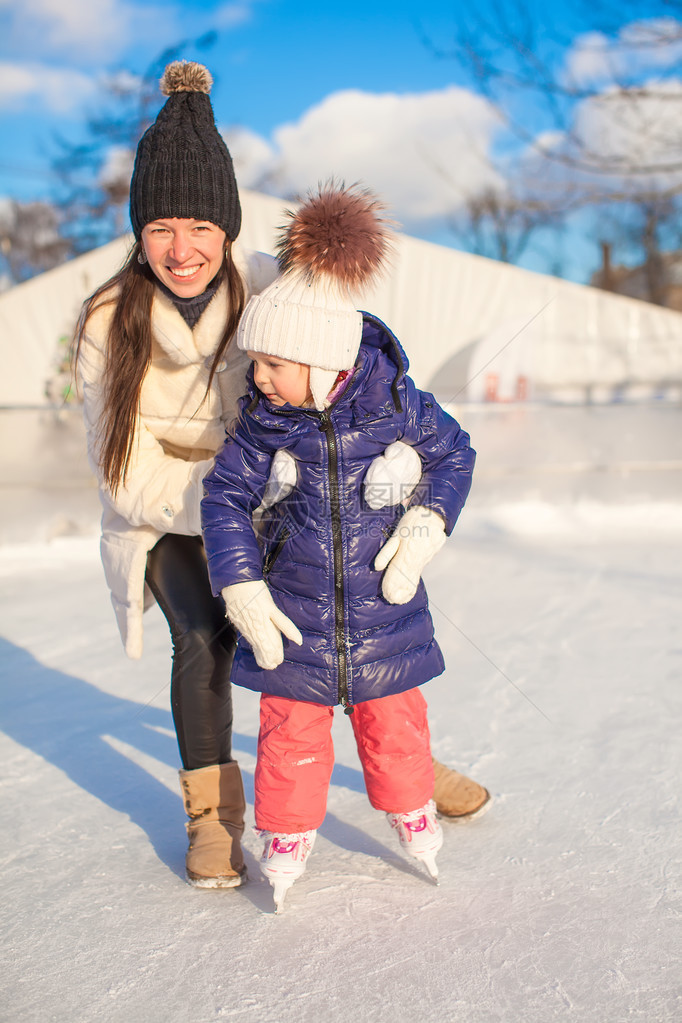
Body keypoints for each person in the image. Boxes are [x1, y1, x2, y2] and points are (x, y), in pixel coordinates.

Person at [75, 60, 488, 892]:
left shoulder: (268, 285)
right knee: (207, 635)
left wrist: (390, 440)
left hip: (274, 493)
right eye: (160, 228)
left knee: (354, 605)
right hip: (170, 509)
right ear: (138, 233)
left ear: (227, 229)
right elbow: (120, 471)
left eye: (198, 225)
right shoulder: (108, 319)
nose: (181, 248)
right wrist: (236, 514)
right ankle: (212, 814)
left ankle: (406, 759)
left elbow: (350, 348)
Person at [201, 183, 481, 912]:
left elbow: (456, 455)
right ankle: (287, 834)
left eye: (272, 364)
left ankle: (412, 810)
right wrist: (242, 585)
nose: (257, 378)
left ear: (321, 362)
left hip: (385, 613)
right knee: (289, 732)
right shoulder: (266, 425)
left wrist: (426, 525)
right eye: (254, 362)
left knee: (395, 724)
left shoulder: (398, 407)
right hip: (293, 614)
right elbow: (224, 498)